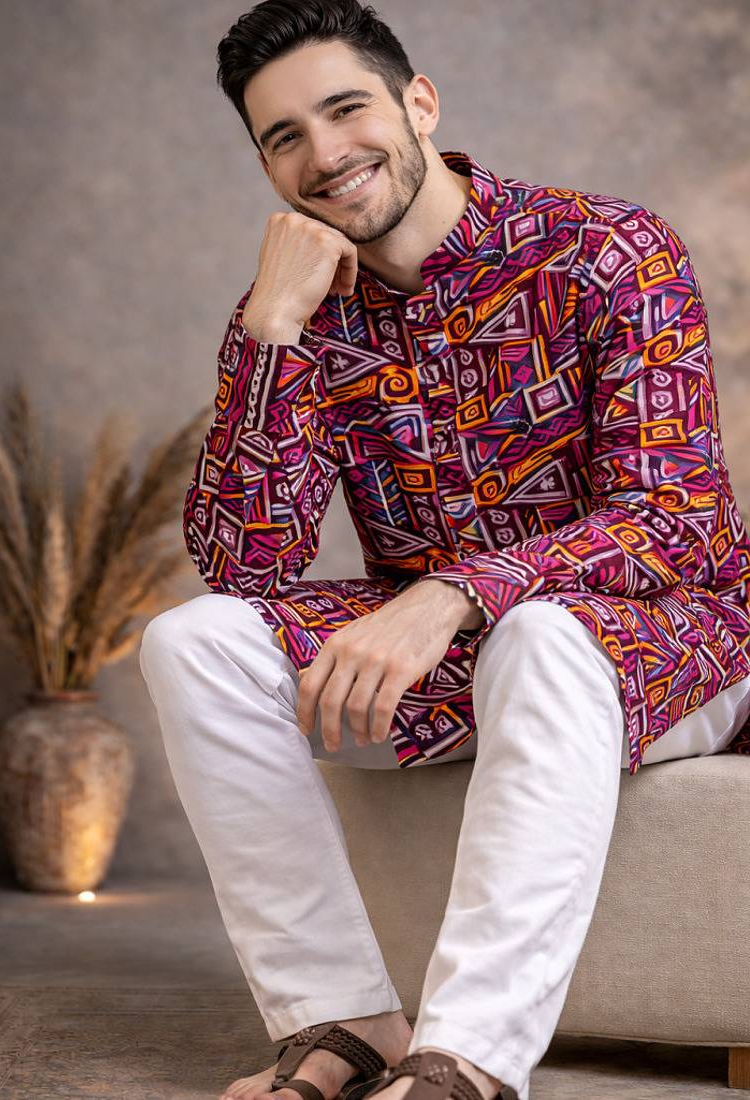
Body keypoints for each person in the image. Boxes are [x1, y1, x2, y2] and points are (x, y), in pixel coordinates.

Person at [139, 2, 750, 1099]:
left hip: (669, 645)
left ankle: (465, 1059)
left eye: (346, 109)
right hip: (456, 663)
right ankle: (342, 1017)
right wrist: (269, 335)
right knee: (194, 641)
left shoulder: (607, 250)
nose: (325, 154)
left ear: (418, 103)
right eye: (284, 136)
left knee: (542, 635)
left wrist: (452, 594)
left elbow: (677, 517)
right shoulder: (296, 312)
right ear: (266, 165)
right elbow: (242, 567)